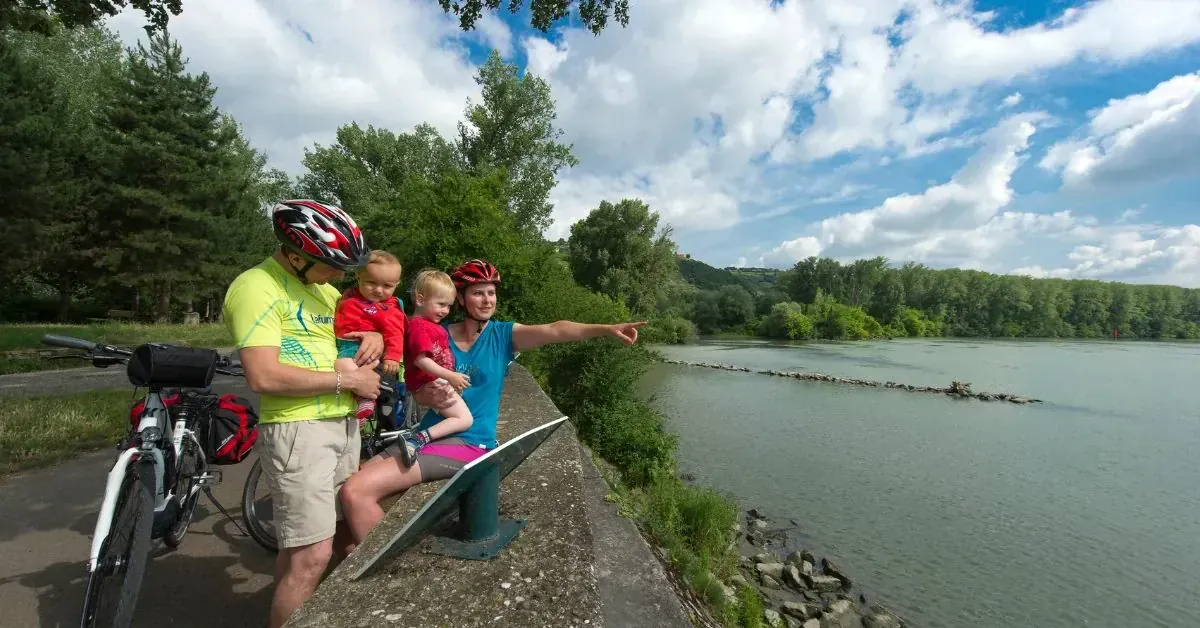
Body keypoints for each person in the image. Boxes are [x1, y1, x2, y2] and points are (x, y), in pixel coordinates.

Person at [339, 258, 646, 546]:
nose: (487, 300)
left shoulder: (502, 336)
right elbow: (414, 379)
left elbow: (555, 329)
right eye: (478, 293)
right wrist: (420, 392)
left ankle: (380, 570)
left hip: (470, 444)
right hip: (427, 435)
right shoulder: (436, 332)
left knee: (357, 492)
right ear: (460, 299)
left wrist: (605, 329)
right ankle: (361, 550)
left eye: (491, 293)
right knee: (353, 479)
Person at [223, 199, 382, 628]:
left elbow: (345, 337)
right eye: (331, 266)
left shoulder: (322, 290)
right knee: (311, 556)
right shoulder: (257, 286)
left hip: (341, 424)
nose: (340, 277)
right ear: (295, 256)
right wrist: (347, 383)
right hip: (298, 430)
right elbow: (262, 375)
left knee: (322, 543)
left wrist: (372, 338)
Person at [395, 269, 473, 467]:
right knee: (464, 419)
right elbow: (420, 360)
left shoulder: (429, 325)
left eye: (448, 306)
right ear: (420, 299)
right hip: (429, 383)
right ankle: (417, 439)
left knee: (457, 414)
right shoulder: (419, 327)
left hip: (432, 383)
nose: (445, 311)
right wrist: (451, 376)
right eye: (440, 304)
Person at [333, 250, 408, 422]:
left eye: (387, 286)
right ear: (359, 276)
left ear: (397, 284)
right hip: (346, 345)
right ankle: (362, 409)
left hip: (360, 351)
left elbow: (396, 332)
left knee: (342, 365)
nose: (379, 290)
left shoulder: (389, 308)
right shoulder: (349, 296)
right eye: (371, 282)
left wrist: (393, 357)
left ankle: (365, 400)